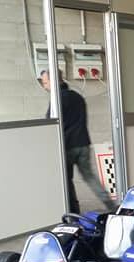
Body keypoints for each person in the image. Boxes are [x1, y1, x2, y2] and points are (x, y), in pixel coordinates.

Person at [40, 69, 115, 214]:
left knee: (66, 181)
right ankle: (111, 205)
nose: (44, 86)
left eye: (45, 82)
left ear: (53, 81)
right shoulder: (78, 97)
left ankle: (73, 212)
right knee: (89, 177)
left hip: (67, 146)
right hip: (83, 144)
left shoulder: (57, 99)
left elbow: (49, 123)